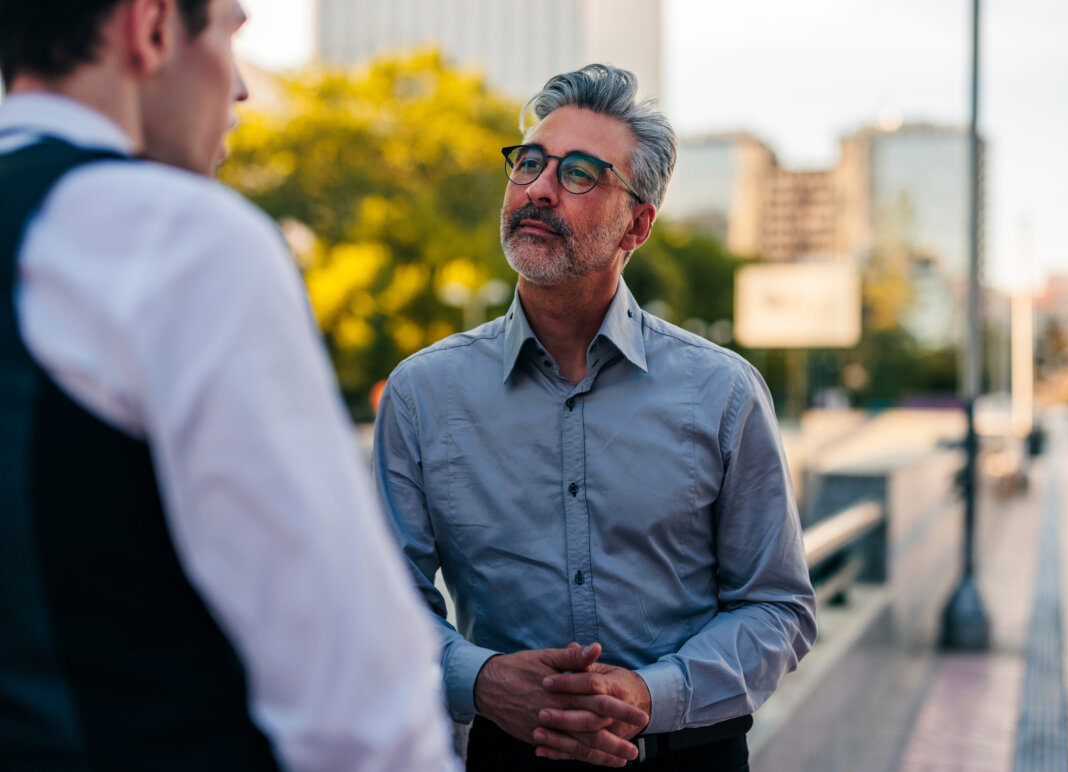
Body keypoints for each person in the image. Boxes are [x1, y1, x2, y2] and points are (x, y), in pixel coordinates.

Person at [0, 1, 457, 769]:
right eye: (227, 34)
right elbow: (354, 694)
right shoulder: (178, 239)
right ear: (151, 28)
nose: (241, 87)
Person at [373, 64, 817, 771]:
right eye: (530, 163)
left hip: (689, 753)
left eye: (581, 173)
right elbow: (381, 602)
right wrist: (480, 680)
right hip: (507, 755)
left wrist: (650, 694)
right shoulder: (423, 394)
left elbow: (777, 610)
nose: (540, 189)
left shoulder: (724, 393)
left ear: (636, 225)